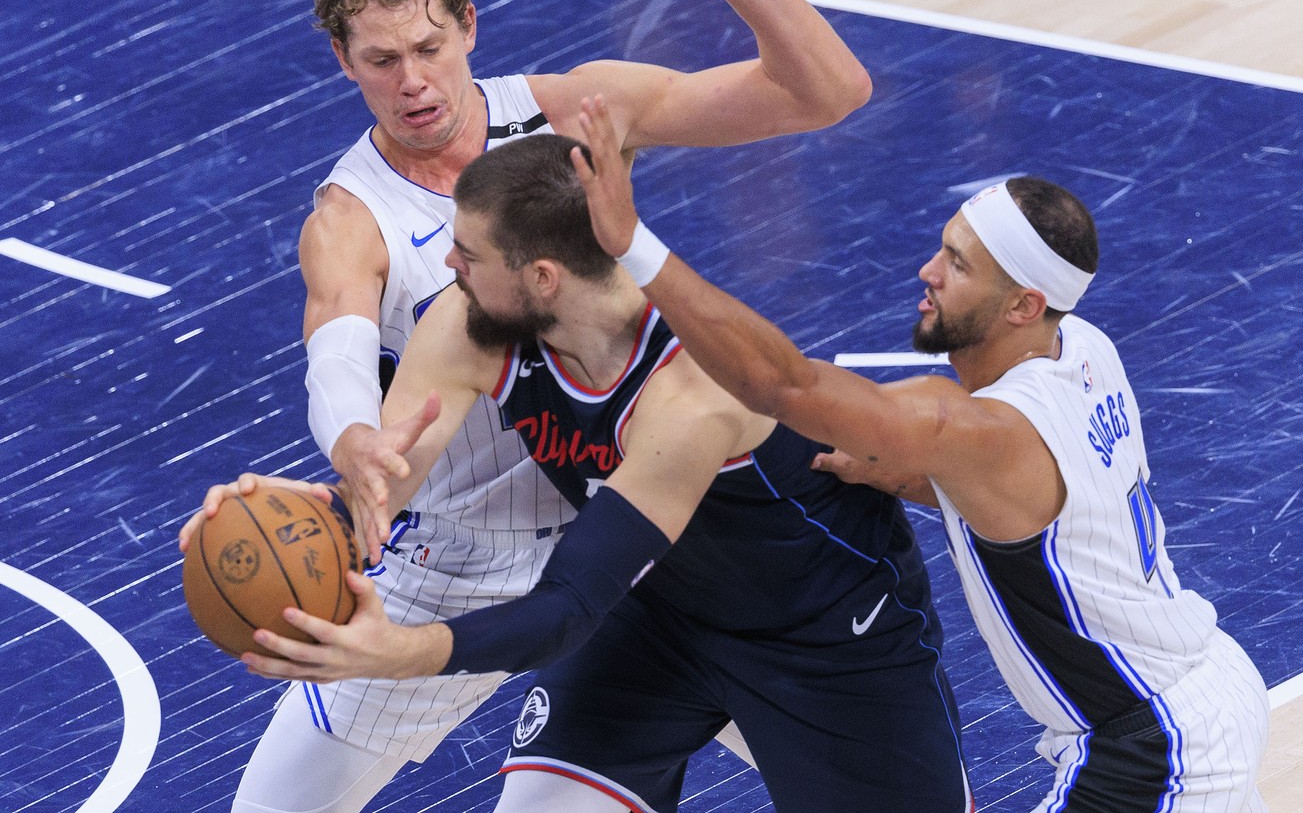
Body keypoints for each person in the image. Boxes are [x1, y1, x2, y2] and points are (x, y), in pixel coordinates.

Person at [195, 0, 871, 809]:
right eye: (382, 59)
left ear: (471, 24)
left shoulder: (573, 114)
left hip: (650, 520)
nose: (414, 80)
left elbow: (826, 94)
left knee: (878, 778)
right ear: (344, 62)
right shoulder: (352, 216)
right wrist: (353, 439)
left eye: (430, 47)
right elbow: (338, 350)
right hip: (465, 556)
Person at [210, 130, 973, 812]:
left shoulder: (689, 390)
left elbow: (566, 604)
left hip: (824, 639)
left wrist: (399, 652)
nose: (447, 265)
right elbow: (382, 488)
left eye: (467, 253)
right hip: (657, 618)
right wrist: (293, 514)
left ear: (543, 277)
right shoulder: (470, 320)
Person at [572, 95, 1271, 811]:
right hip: (1205, 681)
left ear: (1023, 305)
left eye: (958, 264)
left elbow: (779, 382)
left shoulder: (978, 429)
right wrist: (915, 478)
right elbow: (1044, 511)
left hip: (1151, 743)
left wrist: (630, 242)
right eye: (944, 246)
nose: (927, 270)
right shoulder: (1083, 347)